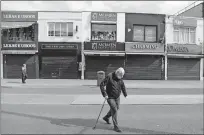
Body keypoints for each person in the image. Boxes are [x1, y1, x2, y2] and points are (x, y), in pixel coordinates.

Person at [100, 67, 127, 133]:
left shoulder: (120, 78)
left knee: (116, 108)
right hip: (110, 97)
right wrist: (105, 94)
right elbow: (102, 84)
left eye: (122, 76)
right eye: (120, 76)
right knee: (114, 109)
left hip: (117, 97)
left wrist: (125, 94)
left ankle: (106, 117)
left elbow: (122, 85)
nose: (121, 77)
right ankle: (116, 127)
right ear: (117, 72)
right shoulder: (110, 76)